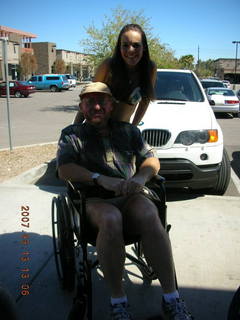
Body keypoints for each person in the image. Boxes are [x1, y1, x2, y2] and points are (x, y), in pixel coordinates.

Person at [57, 82, 193, 320]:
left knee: (150, 214)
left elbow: (151, 160)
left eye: (102, 101)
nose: (96, 106)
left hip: (130, 195)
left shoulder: (129, 131)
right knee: (111, 218)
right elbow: (64, 169)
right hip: (94, 200)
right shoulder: (72, 134)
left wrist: (141, 177)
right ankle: (118, 301)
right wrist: (98, 179)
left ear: (111, 106)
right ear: (82, 107)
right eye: (90, 102)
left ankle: (172, 298)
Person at [74, 23, 156, 126]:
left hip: (122, 132)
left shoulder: (150, 69)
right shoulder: (108, 66)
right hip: (96, 130)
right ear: (119, 47)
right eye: (125, 45)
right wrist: (75, 128)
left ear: (144, 47)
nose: (130, 50)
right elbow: (88, 98)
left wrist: (133, 128)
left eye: (136, 45)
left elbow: (144, 103)